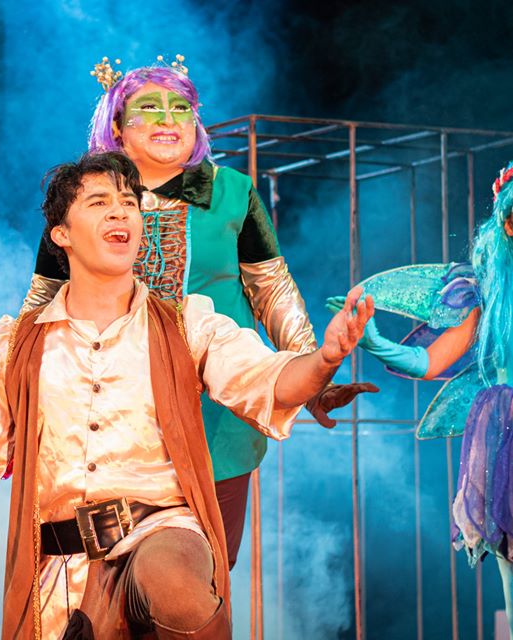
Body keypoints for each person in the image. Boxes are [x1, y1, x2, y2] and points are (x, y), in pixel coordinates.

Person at [0, 151, 373, 639]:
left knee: (174, 584)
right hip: (60, 574)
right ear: (61, 234)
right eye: (99, 203)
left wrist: (324, 358)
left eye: (129, 204)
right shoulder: (16, 344)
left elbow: (268, 380)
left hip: (161, 531)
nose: (121, 213)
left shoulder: (186, 323)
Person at [22, 59, 376, 568]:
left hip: (216, 416)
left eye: (182, 108)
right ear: (117, 126)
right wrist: (18, 398)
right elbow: (43, 302)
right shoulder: (84, 199)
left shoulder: (232, 192)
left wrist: (312, 373)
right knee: (103, 572)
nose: (169, 119)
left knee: (202, 575)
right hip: (108, 409)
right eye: (150, 108)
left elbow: (272, 289)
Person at [329, 153, 513, 639]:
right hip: (512, 441)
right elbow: (431, 361)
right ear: (508, 224)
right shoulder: (488, 293)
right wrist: (377, 342)